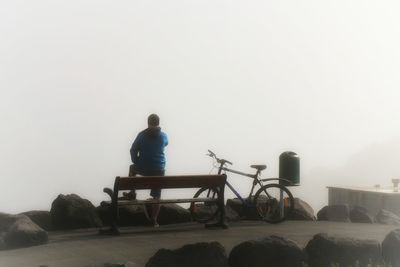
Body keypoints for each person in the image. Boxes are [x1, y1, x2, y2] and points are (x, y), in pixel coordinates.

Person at [128, 113, 168, 227]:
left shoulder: (141, 135)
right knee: (157, 196)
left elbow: (133, 149)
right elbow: (166, 143)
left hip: (144, 168)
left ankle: (132, 192)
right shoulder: (164, 136)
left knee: (132, 168)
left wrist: (136, 161)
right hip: (159, 171)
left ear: (148, 122)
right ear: (158, 123)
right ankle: (154, 220)